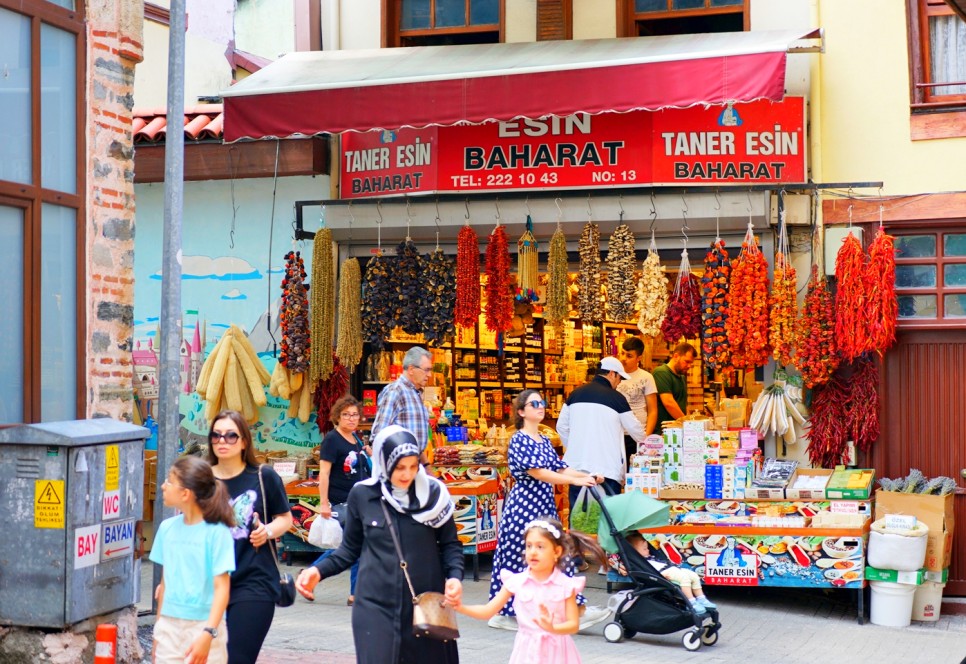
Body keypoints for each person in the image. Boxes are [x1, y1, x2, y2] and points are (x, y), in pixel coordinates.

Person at [294, 425, 464, 664]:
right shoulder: (363, 495)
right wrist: (317, 571)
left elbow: (450, 545)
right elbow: (349, 550)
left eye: (413, 467)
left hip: (425, 606)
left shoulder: (434, 496)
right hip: (375, 606)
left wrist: (455, 577)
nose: (407, 475)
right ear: (384, 463)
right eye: (399, 467)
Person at [486, 389, 609, 633]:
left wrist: (586, 476)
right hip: (524, 508)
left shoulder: (542, 439)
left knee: (551, 556)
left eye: (541, 402)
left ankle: (573, 609)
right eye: (534, 404)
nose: (540, 406)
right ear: (521, 412)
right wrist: (575, 482)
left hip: (542, 506)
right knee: (524, 559)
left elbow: (559, 469)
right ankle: (508, 613)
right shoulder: (519, 439)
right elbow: (539, 472)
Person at [206, 410, 294, 664]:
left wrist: (266, 531)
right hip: (208, 583)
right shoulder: (202, 479)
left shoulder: (263, 476)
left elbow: (285, 519)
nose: (223, 441)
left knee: (236, 658)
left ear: (244, 441)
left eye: (231, 436)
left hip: (253, 581)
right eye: (217, 435)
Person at [456, 517, 607, 663]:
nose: (533, 552)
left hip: (558, 653)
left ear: (557, 552)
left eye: (540, 546)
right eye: (529, 546)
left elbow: (573, 625)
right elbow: (488, 611)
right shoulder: (516, 581)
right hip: (526, 652)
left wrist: (552, 627)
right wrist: (461, 607)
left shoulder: (565, 585)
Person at [151, 456, 236, 664]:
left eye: (170, 481)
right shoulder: (166, 529)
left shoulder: (218, 533)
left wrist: (208, 634)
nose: (163, 486)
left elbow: (222, 589)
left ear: (185, 493)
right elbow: (165, 584)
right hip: (169, 629)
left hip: (204, 626)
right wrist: (157, 632)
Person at [557, 356, 646, 513]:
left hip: (578, 470)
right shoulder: (617, 398)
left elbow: (561, 426)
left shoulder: (575, 395)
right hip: (608, 470)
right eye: (619, 378)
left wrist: (576, 447)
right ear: (612, 374)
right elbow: (636, 431)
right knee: (608, 519)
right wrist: (648, 443)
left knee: (579, 518)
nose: (619, 383)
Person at [312, 395, 370, 605]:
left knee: (345, 548)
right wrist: (324, 503)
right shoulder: (332, 440)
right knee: (356, 547)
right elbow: (324, 474)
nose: (351, 419)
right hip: (342, 503)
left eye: (355, 415)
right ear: (337, 417)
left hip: (359, 503)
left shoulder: (356, 440)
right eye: (346, 415)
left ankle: (310, 574)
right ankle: (355, 593)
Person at [607, 532, 717, 615]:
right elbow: (646, 571)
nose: (648, 550)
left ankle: (701, 598)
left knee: (694, 575)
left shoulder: (650, 556)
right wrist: (659, 577)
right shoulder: (640, 562)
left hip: (671, 568)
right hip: (664, 572)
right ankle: (691, 601)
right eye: (645, 549)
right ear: (636, 553)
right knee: (685, 579)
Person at [370, 346, 433, 465]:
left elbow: (416, 442)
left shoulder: (415, 393)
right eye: (426, 370)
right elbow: (379, 435)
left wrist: (426, 466)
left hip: (413, 466)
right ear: (411, 369)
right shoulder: (395, 391)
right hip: (399, 468)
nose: (429, 375)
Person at [617, 336, 659, 466]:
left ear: (638, 358)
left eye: (629, 356)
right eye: (622, 353)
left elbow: (652, 410)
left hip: (637, 434)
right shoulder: (613, 375)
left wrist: (645, 437)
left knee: (636, 473)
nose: (623, 358)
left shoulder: (646, 378)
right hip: (615, 433)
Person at [653, 342, 698, 426]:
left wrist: (688, 419)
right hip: (665, 430)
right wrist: (687, 424)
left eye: (691, 363)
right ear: (676, 356)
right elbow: (668, 403)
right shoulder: (661, 372)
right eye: (687, 361)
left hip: (678, 428)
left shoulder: (682, 377)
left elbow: (684, 404)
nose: (689, 366)